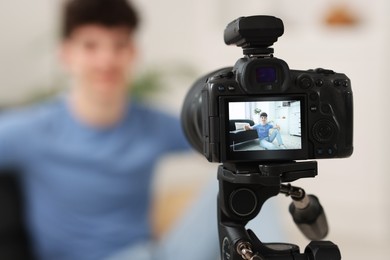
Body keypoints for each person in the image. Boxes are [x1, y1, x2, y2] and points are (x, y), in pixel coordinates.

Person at [0, 1, 284, 259]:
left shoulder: (153, 124)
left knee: (248, 180)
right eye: (90, 46)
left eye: (119, 45)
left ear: (133, 52)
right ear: (66, 54)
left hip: (152, 254)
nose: (106, 60)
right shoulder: (32, 129)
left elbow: (224, 139)